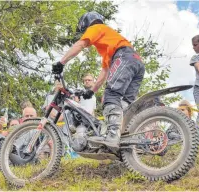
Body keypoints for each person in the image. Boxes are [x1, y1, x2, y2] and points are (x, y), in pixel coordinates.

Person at [52, 11, 145, 149]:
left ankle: (113, 136)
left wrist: (61, 62)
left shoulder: (96, 28)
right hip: (136, 62)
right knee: (124, 103)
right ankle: (132, 139)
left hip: (125, 58)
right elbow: (105, 72)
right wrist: (91, 91)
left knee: (111, 95)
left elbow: (80, 44)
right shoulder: (109, 45)